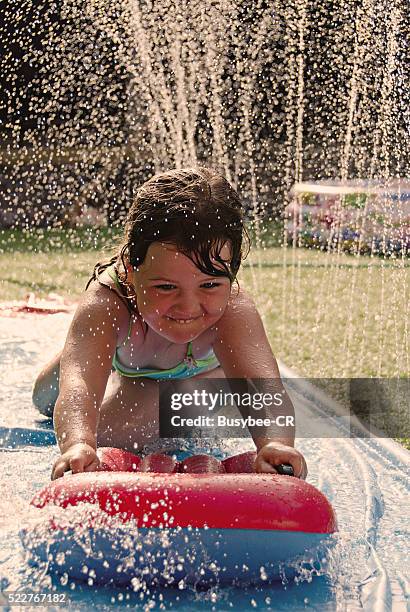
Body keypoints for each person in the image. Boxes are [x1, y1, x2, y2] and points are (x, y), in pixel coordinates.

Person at [32, 167, 307, 480]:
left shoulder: (233, 310)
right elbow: (79, 385)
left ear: (231, 275)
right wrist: (77, 442)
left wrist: (275, 443)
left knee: (139, 426)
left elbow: (263, 389)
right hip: (126, 354)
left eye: (209, 285)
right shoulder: (109, 302)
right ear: (130, 273)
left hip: (197, 376)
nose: (187, 307)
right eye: (165, 287)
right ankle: (87, 353)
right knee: (48, 396)